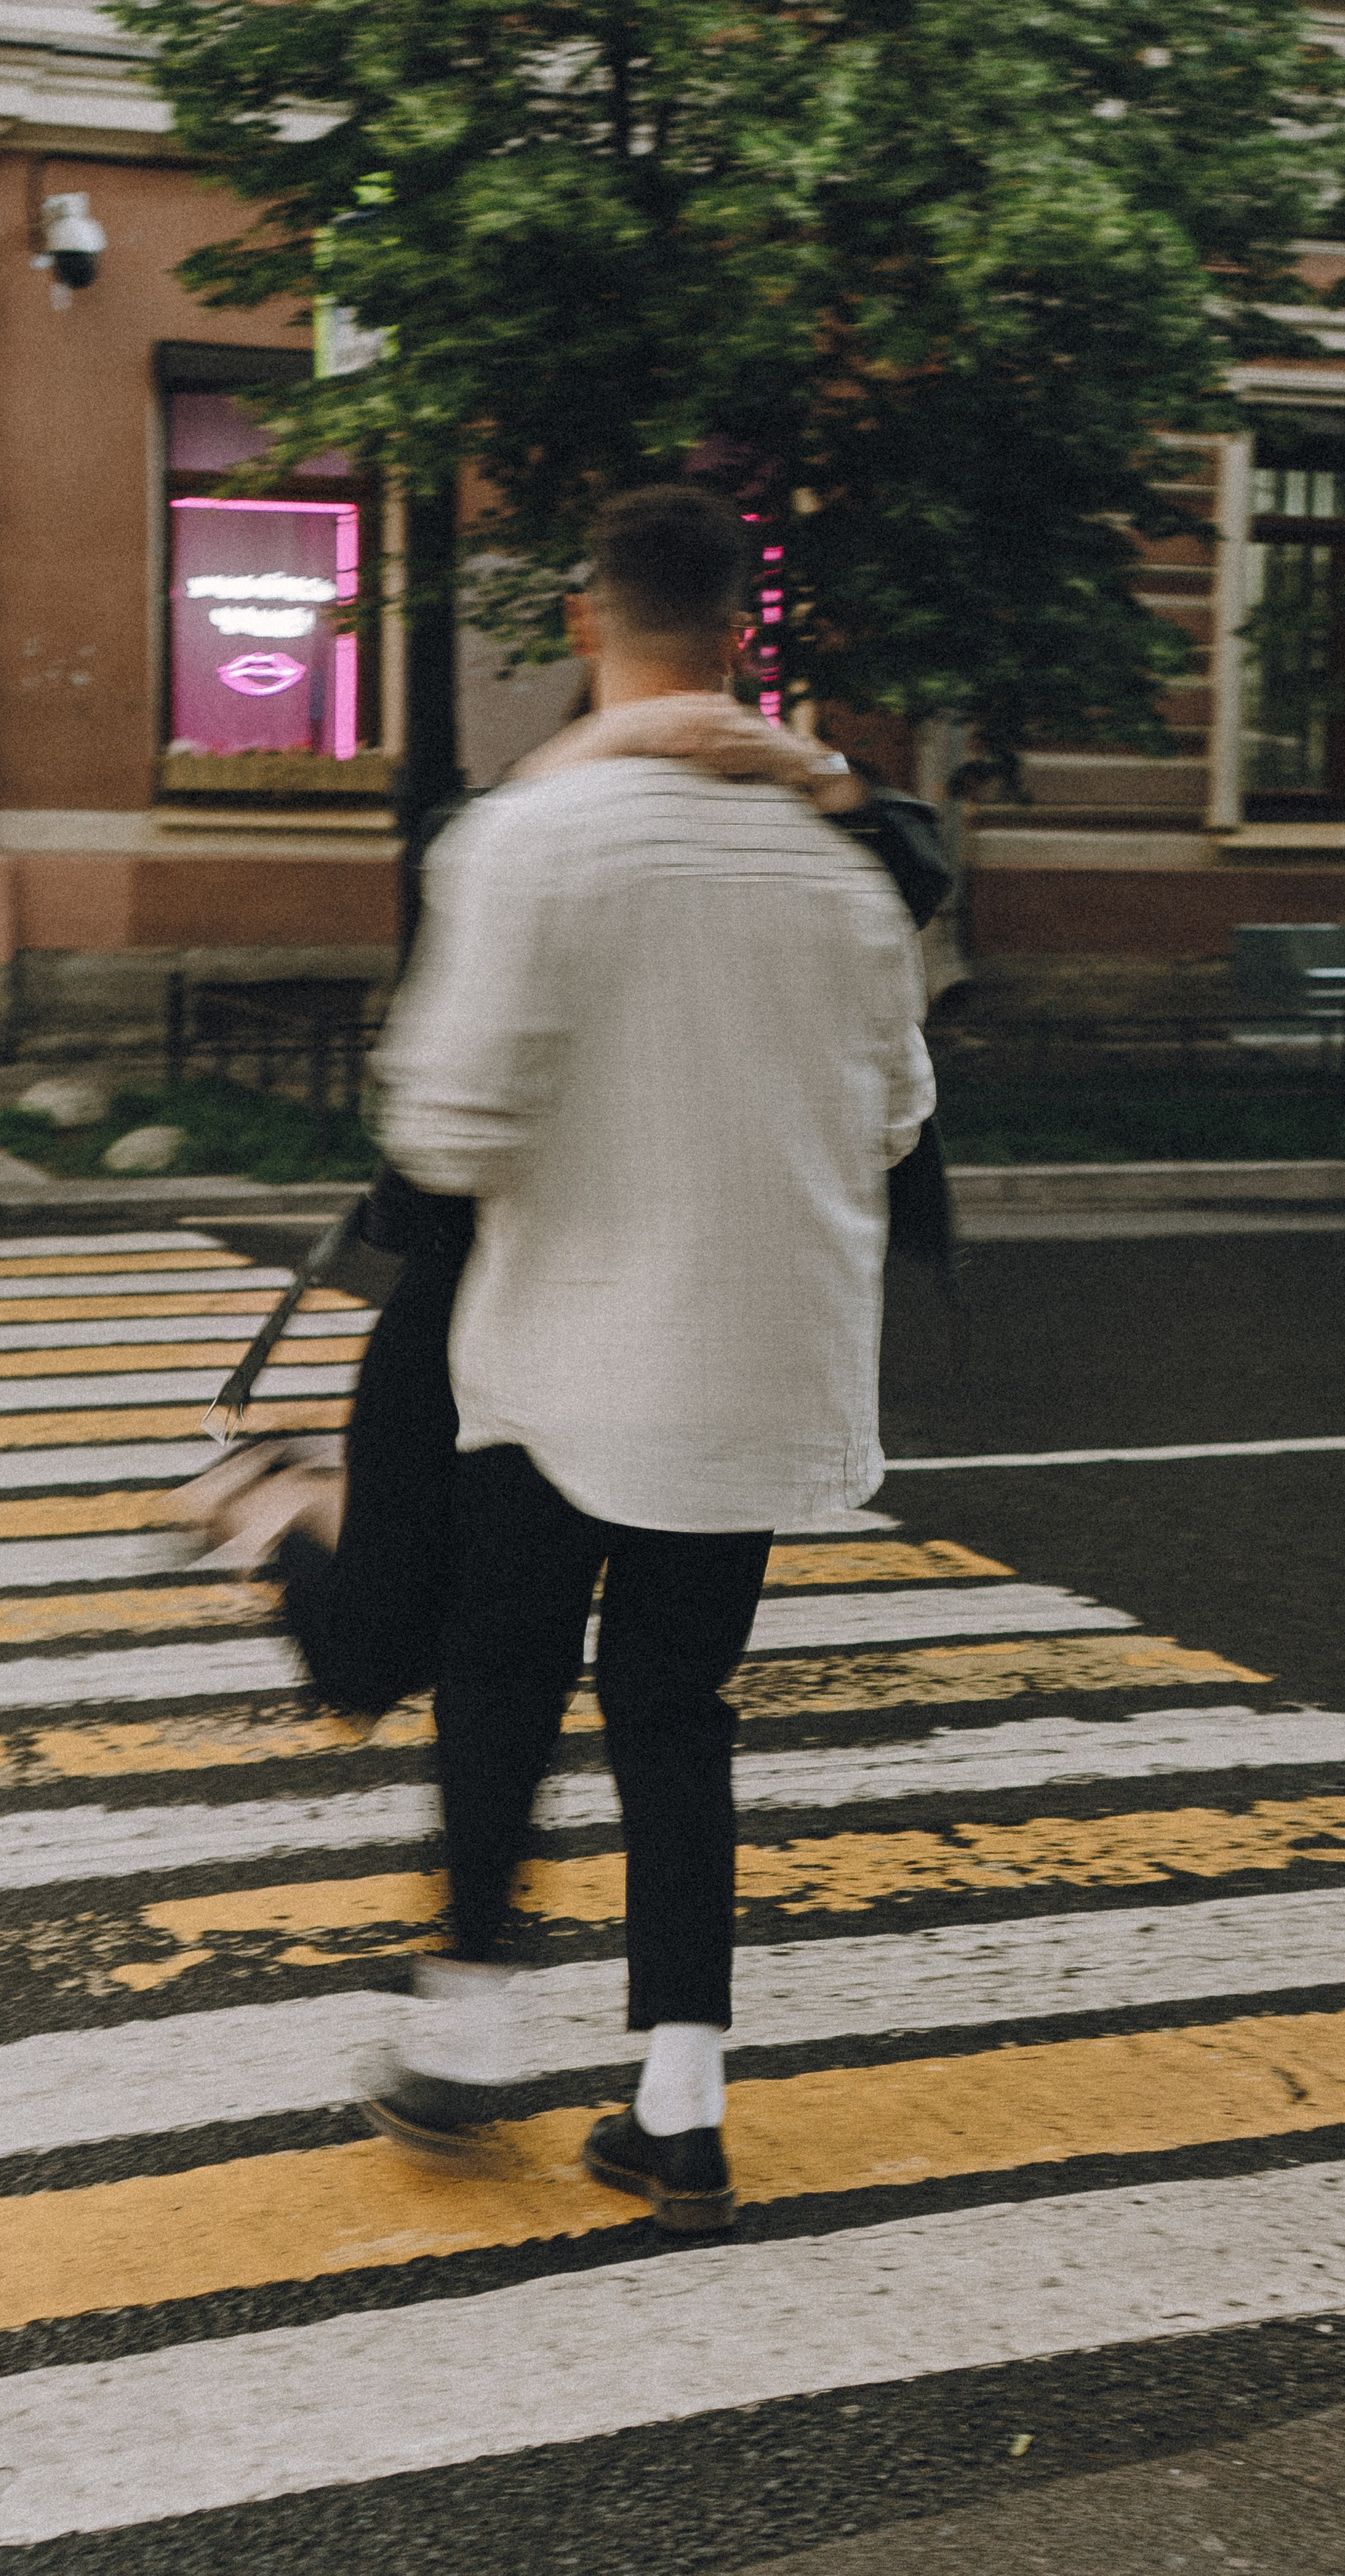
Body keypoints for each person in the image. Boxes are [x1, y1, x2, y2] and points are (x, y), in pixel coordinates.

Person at [363, 485, 936, 2228]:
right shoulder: (840, 874)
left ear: (582, 618)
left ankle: (467, 2040)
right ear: (741, 634)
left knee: (500, 1681)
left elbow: (444, 1132)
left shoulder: (525, 840)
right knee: (677, 1714)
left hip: (558, 1368)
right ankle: (679, 2108)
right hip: (753, 1374)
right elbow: (895, 1118)